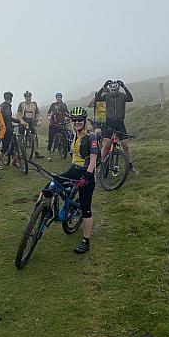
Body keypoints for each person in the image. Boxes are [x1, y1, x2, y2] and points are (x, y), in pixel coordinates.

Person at [56, 106, 99, 254]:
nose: (77, 122)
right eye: (74, 120)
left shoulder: (91, 137)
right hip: (74, 170)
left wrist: (87, 176)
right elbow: (74, 156)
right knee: (52, 184)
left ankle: (86, 241)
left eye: (80, 120)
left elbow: (93, 160)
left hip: (86, 173)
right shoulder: (72, 135)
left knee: (86, 209)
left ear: (85, 121)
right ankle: (42, 211)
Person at [95, 79, 137, 173]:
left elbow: (130, 98)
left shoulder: (122, 96)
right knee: (106, 143)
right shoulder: (107, 96)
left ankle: (130, 166)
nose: (114, 92)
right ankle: (103, 165)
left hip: (120, 122)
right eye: (112, 90)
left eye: (116, 90)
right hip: (109, 122)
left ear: (118, 89)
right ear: (110, 90)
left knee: (125, 144)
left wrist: (124, 87)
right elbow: (97, 98)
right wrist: (103, 87)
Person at [0, 91, 27, 169]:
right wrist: (19, 121)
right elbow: (8, 118)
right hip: (6, 128)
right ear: (11, 98)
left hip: (5, 127)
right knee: (5, 146)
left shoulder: (1, 105)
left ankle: (15, 160)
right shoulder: (6, 106)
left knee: (14, 143)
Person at [17, 90, 44, 158]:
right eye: (27, 97)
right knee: (21, 136)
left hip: (31, 122)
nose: (28, 99)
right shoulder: (21, 104)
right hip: (23, 121)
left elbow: (37, 113)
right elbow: (19, 114)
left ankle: (36, 152)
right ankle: (20, 151)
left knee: (33, 136)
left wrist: (39, 121)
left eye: (29, 97)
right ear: (25, 98)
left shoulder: (34, 104)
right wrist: (21, 121)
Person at [46, 92, 70, 161]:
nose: (59, 98)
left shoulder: (64, 105)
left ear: (61, 98)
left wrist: (69, 117)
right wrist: (49, 118)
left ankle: (67, 149)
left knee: (66, 137)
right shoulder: (53, 105)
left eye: (60, 97)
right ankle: (49, 154)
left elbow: (67, 113)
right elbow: (49, 113)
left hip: (62, 123)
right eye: (58, 97)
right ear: (56, 98)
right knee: (51, 138)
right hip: (53, 124)